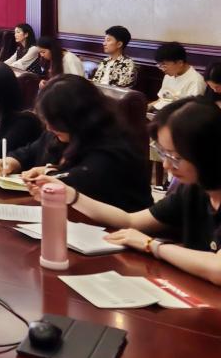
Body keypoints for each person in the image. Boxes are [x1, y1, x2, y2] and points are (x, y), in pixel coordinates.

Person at [32, 98, 221, 285]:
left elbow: (217, 269)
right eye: (164, 153)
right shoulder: (193, 190)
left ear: (207, 154)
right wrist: (71, 195)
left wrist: (152, 245)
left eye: (175, 157)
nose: (166, 165)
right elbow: (130, 221)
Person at [0, 75, 151, 212]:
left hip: (116, 229)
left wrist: (48, 172)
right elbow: (30, 151)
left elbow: (78, 182)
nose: (49, 128)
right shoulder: (62, 132)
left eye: (55, 121)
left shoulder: (114, 145)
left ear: (79, 117)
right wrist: (11, 162)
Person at [151, 42, 206, 110]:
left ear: (180, 63)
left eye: (164, 65)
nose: (162, 69)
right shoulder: (169, 75)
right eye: (159, 65)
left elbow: (191, 110)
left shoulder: (196, 81)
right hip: (161, 112)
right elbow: (161, 99)